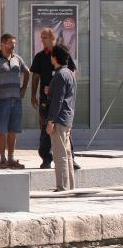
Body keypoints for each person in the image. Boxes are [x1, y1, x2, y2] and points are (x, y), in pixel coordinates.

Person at [29, 27, 78, 169]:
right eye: (41, 38)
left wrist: (69, 91)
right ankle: (46, 158)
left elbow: (72, 72)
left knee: (64, 129)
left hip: (62, 100)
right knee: (46, 128)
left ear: (53, 38)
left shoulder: (61, 53)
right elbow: (35, 76)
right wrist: (33, 95)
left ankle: (70, 158)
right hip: (46, 100)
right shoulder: (40, 56)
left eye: (45, 37)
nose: (42, 40)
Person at [0, 33, 29, 169]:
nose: (13, 46)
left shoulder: (17, 59)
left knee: (13, 130)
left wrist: (24, 88)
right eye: (10, 43)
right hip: (1, 100)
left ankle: (11, 158)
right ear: (2, 43)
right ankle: (3, 159)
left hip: (16, 100)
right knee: (1, 130)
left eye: (14, 43)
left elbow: (27, 72)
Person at [46, 45, 76, 191]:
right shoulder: (69, 73)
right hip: (67, 118)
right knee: (67, 154)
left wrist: (51, 120)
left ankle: (62, 187)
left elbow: (58, 100)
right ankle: (70, 186)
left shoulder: (59, 75)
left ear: (55, 58)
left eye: (52, 56)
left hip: (59, 119)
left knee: (60, 154)